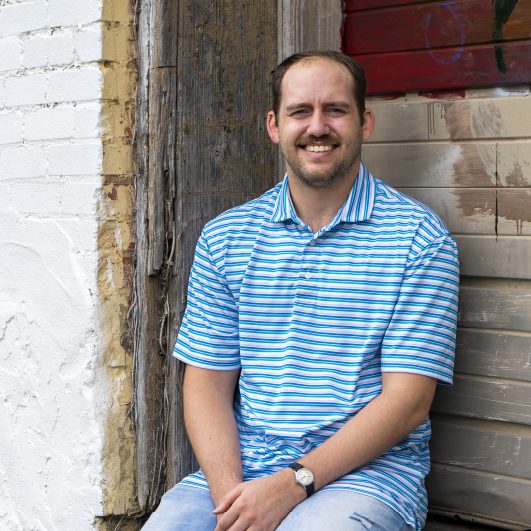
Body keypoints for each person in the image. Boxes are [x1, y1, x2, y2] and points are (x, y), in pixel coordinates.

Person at [142, 51, 459, 531]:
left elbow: (407, 402)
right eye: (299, 111)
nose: (317, 126)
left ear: (364, 121)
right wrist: (234, 501)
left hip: (367, 477)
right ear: (274, 125)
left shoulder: (418, 238)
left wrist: (293, 484)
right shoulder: (227, 237)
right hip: (241, 470)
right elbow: (206, 382)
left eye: (335, 109)